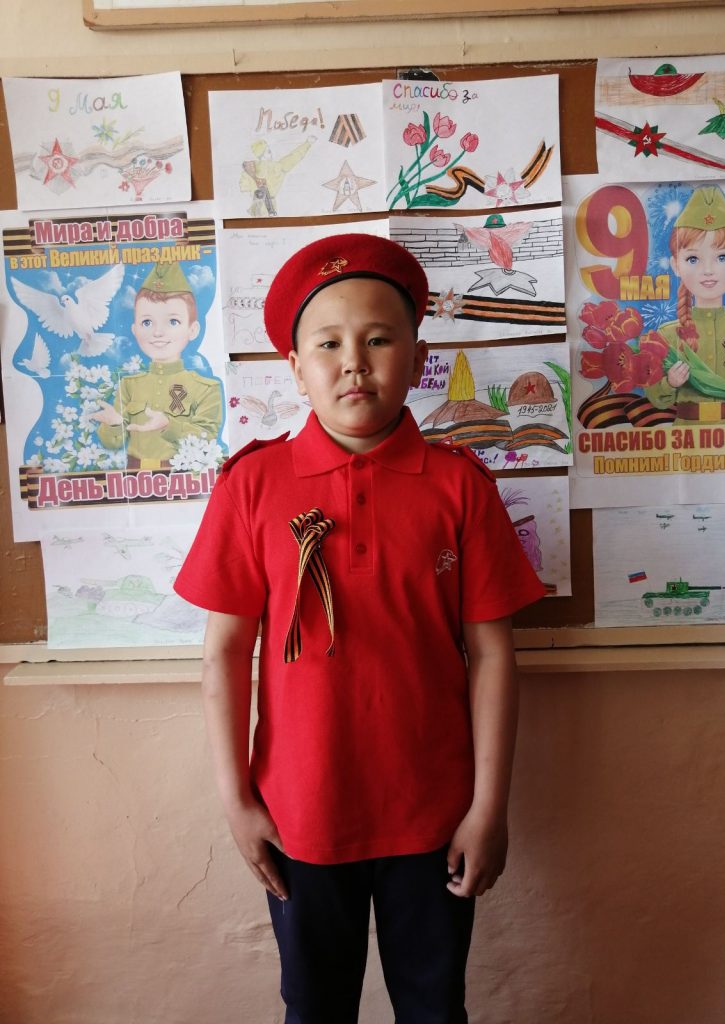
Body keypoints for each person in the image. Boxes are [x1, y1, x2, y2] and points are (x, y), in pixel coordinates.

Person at [173, 234, 545, 1024]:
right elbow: (224, 653)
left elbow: (491, 654)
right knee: (314, 1007)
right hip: (299, 815)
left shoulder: (460, 487)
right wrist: (236, 800)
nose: (354, 363)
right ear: (295, 366)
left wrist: (489, 807)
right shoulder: (252, 486)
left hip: (435, 812)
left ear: (418, 358)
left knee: (435, 1007)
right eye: (329, 344)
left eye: (379, 340)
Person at [645, 185, 725, 424]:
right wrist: (670, 383)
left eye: (722, 257)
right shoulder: (668, 334)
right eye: (693, 259)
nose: (708, 270)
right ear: (676, 265)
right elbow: (655, 396)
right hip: (686, 435)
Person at [91, 262, 223, 470]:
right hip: (135, 476)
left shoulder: (205, 388)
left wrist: (170, 425)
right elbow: (112, 443)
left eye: (173, 322)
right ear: (135, 329)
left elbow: (207, 439)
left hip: (184, 478)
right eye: (147, 322)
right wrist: (114, 424)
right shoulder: (129, 385)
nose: (158, 332)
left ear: (193, 330)